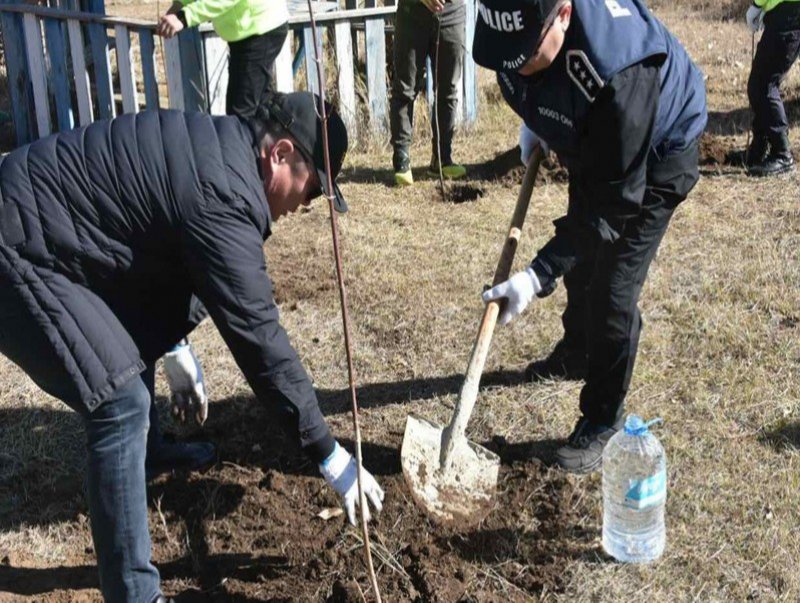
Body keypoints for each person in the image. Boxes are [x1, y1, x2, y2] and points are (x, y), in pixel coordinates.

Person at [0, 92, 384, 602]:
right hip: (19, 245)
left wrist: (175, 347)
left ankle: (150, 452)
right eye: (313, 189)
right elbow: (259, 337)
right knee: (119, 406)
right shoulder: (223, 193)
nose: (306, 205)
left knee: (124, 360)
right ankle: (134, 594)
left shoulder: (218, 153)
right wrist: (329, 455)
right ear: (282, 153)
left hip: (57, 232)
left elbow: (149, 248)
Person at [474, 0, 707, 473]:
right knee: (581, 264)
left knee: (612, 289)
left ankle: (603, 419)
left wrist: (535, 276)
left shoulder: (620, 71)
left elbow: (611, 207)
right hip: (596, 135)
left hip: (657, 151)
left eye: (524, 55)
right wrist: (537, 119)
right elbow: (520, 66)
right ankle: (578, 350)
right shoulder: (520, 35)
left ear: (562, 14)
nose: (513, 67)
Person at [157, 0, 289, 118]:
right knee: (259, 105)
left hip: (260, 28)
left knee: (240, 114)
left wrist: (184, 16)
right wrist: (180, 5)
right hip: (251, 29)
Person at [389, 0, 467, 186]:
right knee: (405, 89)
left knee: (448, 89)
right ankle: (401, 159)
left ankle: (442, 158)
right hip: (412, 12)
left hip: (452, 12)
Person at [744, 0, 799, 176]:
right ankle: (760, 148)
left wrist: (757, 4)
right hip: (785, 13)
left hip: (788, 15)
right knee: (760, 83)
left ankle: (782, 155)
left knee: (763, 85)